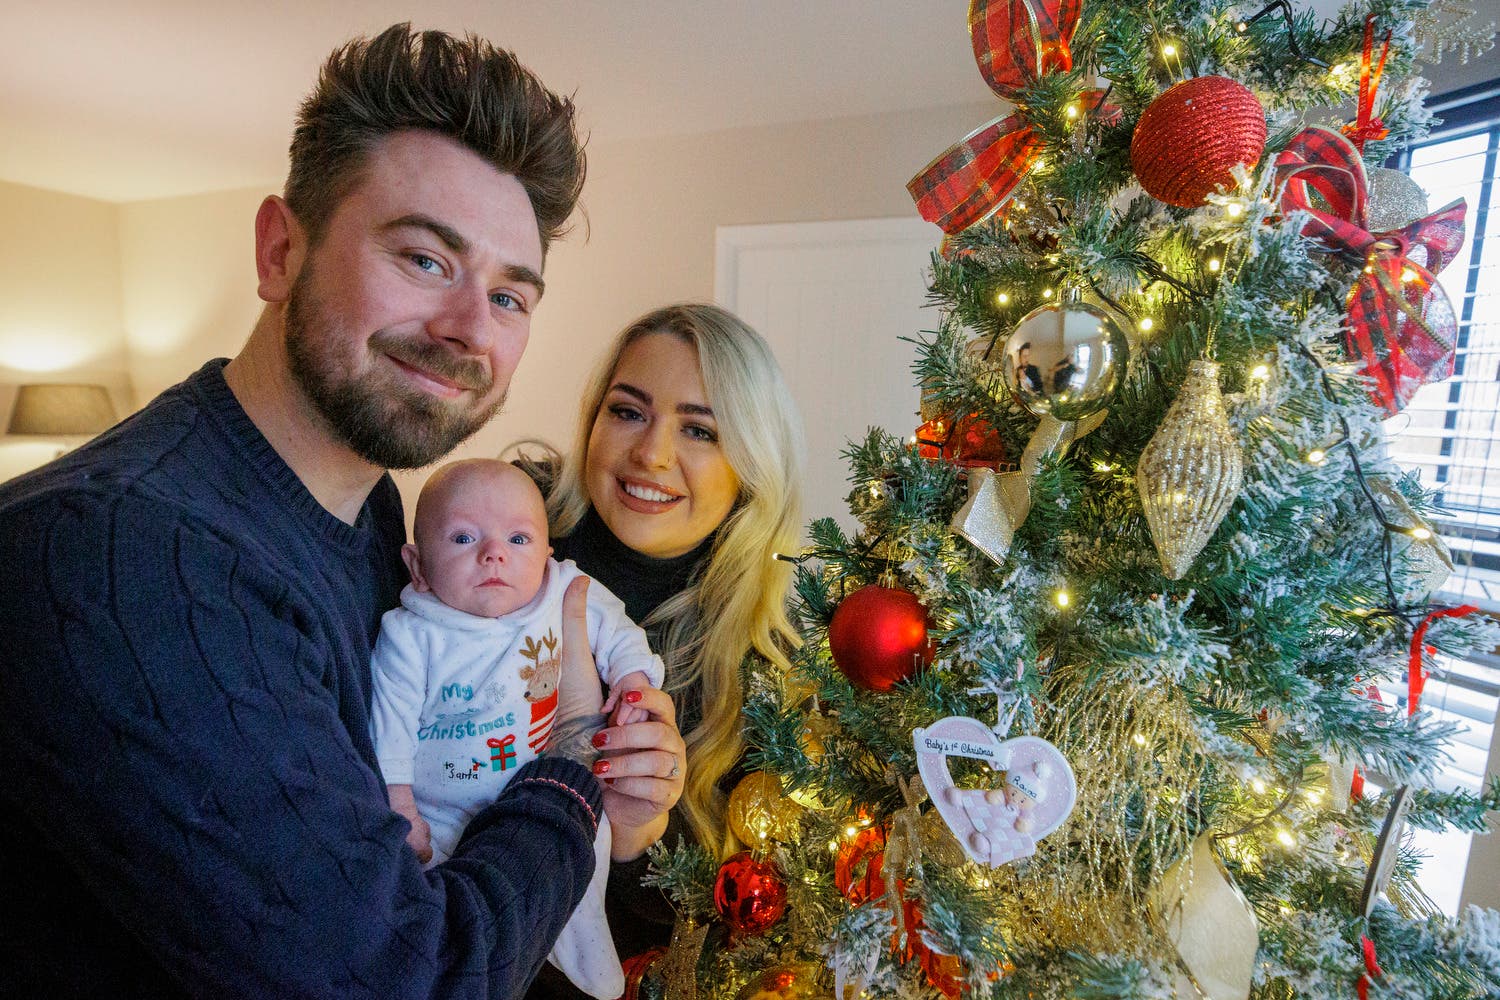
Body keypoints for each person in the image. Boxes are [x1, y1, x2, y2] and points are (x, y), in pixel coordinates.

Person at [0, 24, 682, 998]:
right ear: (281, 250)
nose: (467, 333)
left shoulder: (374, 511)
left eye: (509, 297)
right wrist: (573, 762)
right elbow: (413, 978)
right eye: (425, 260)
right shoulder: (120, 556)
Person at [520, 303, 806, 998]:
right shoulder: (503, 537)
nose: (651, 454)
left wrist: (639, 834)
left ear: (750, 465)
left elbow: (738, 934)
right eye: (628, 412)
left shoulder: (770, 669)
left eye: (700, 430)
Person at [371, 459, 665, 997]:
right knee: (436, 889)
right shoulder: (413, 633)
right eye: (463, 537)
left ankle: (581, 924)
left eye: (518, 538)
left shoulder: (560, 592)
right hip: (443, 809)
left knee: (588, 832)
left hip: (547, 788)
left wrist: (633, 681)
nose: (493, 554)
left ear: (547, 552)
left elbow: (619, 630)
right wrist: (400, 804)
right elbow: (389, 723)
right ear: (417, 565)